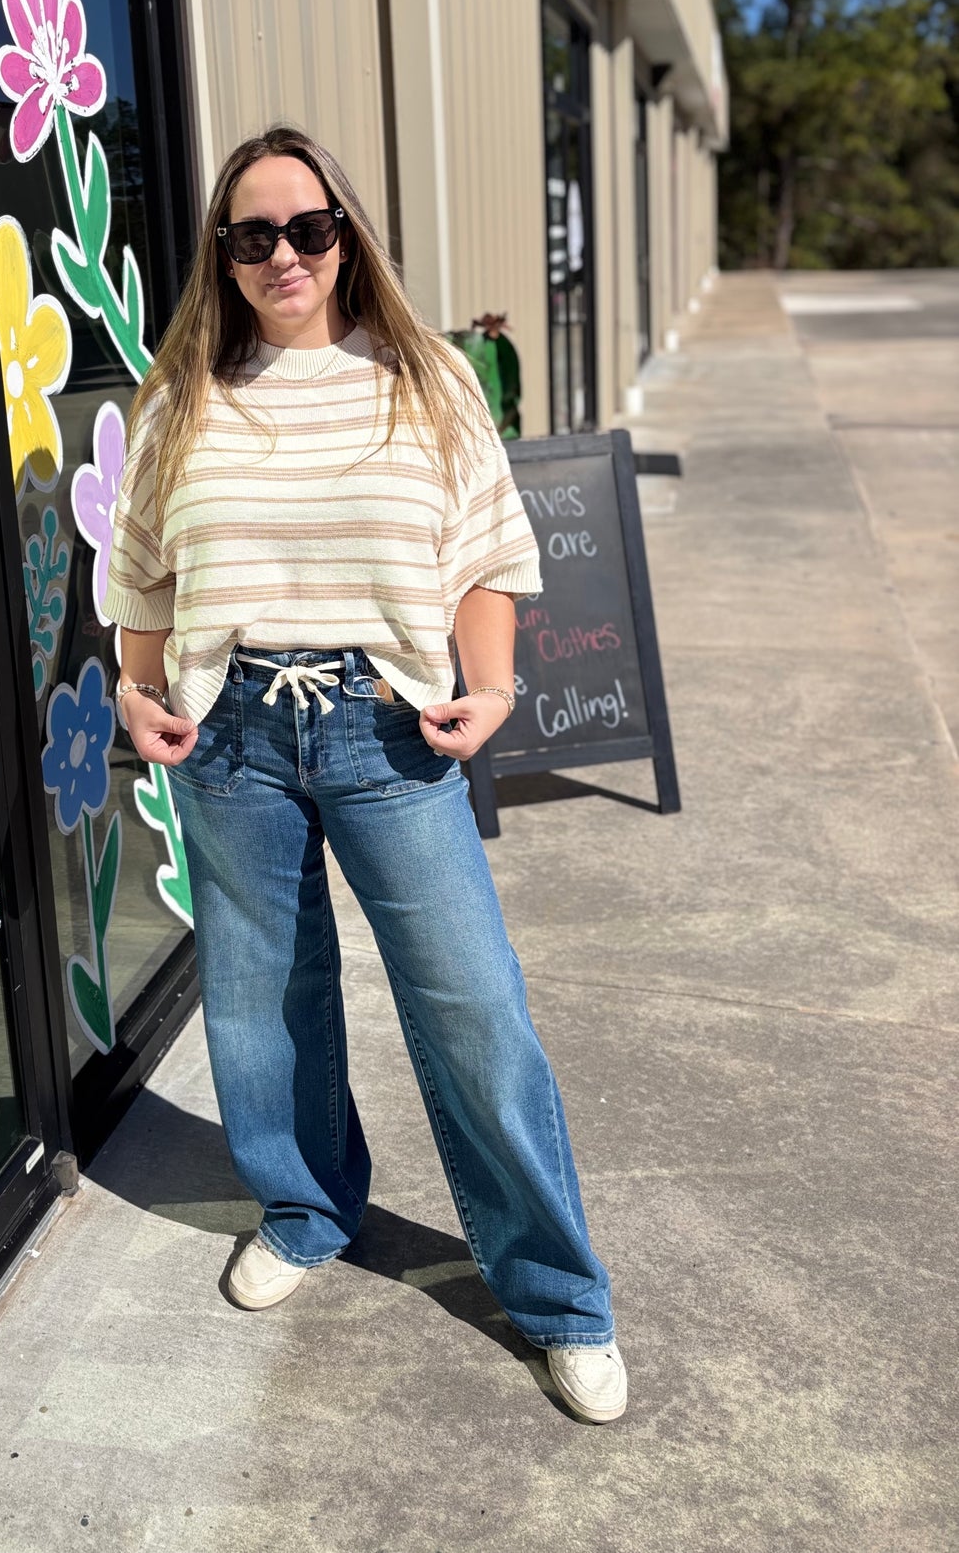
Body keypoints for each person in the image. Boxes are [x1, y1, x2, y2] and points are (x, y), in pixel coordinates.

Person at [105, 126, 625, 1424]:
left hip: (381, 722)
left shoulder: (423, 375)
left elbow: (486, 552)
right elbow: (144, 581)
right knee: (261, 1000)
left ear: (346, 234)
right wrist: (134, 683)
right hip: (229, 734)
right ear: (221, 257)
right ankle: (306, 1206)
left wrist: (493, 687)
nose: (281, 254)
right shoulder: (182, 399)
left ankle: (559, 1292)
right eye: (250, 235)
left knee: (471, 1007)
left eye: (306, 227)